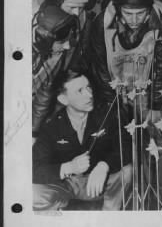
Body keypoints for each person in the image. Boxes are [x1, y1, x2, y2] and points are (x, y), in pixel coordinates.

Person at [90, 0, 162, 209]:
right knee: (120, 145)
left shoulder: (161, 22)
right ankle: (125, 201)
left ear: (149, 10)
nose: (134, 20)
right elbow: (99, 64)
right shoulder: (102, 23)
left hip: (147, 93)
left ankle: (158, 200)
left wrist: (155, 103)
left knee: (155, 146)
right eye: (128, 14)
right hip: (116, 93)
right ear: (118, 10)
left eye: (140, 14)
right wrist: (111, 98)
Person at [33, 70, 132, 210]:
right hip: (65, 185)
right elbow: (34, 168)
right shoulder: (52, 126)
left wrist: (104, 165)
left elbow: (126, 145)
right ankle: (57, 216)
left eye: (88, 87)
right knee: (33, 194)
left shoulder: (105, 115)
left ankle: (110, 215)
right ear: (63, 99)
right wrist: (68, 167)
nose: (90, 95)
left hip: (98, 182)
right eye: (80, 91)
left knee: (127, 170)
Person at [32, 5, 79, 136]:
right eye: (62, 42)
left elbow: (44, 94)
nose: (68, 46)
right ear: (43, 38)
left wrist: (33, 130)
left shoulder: (56, 56)